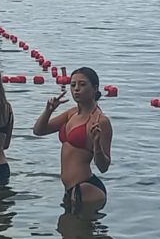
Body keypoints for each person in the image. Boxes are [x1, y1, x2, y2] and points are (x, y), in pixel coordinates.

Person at [33, 66, 112, 210]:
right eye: (73, 85)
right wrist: (48, 111)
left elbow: (103, 167)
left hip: (86, 188)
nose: (76, 89)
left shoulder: (100, 121)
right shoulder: (72, 113)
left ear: (95, 88)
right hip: (70, 189)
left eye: (82, 84)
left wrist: (97, 145)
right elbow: (39, 131)